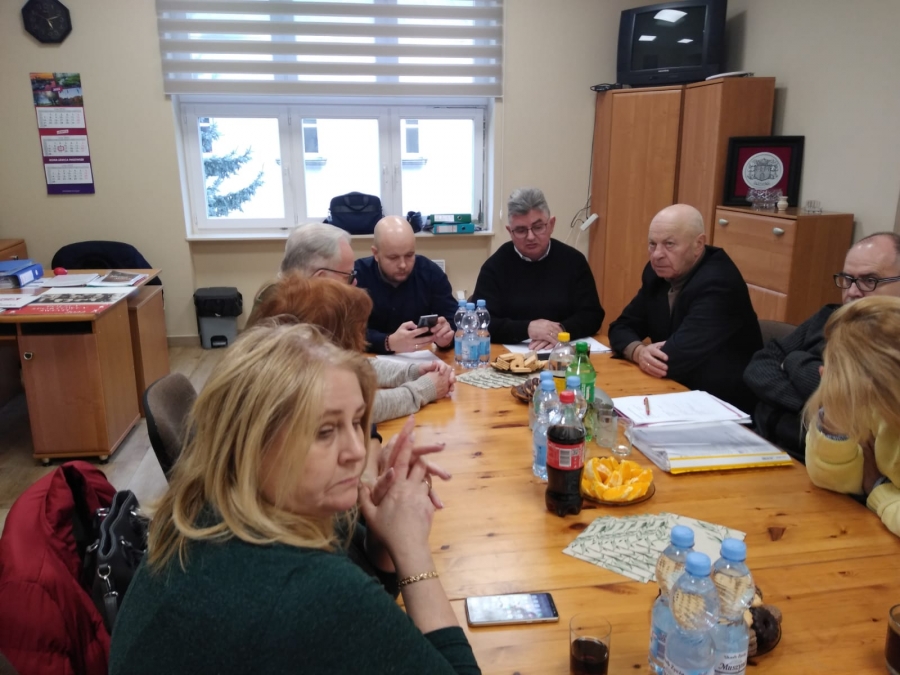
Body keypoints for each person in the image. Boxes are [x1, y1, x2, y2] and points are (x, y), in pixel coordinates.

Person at [109, 321, 481, 674]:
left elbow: (362, 601)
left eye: (356, 422)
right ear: (251, 443)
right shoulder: (303, 591)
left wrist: (383, 542)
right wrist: (413, 550)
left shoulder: (212, 507)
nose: (356, 451)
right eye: (325, 431)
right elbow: (340, 604)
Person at [744, 233, 900, 461]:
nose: (853, 291)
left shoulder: (891, 346)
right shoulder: (829, 315)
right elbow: (758, 366)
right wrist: (817, 409)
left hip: (813, 462)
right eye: (847, 279)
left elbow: (853, 400)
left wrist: (794, 361)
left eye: (869, 280)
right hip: (759, 438)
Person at [607, 204, 761, 413]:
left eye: (669, 244)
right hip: (674, 392)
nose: (657, 255)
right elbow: (620, 327)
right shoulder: (657, 274)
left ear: (699, 245)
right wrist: (638, 351)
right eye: (652, 244)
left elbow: (671, 359)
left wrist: (642, 353)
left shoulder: (719, 284)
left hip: (721, 406)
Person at [249, 273, 455, 424]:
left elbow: (353, 365)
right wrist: (425, 388)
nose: (355, 280)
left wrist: (412, 372)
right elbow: (362, 408)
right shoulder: (288, 384)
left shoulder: (283, 347)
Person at [803, 295, 900, 538]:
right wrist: (835, 416)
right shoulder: (879, 403)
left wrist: (878, 489)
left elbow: (868, 480)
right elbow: (834, 479)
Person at [471, 187, 604, 350]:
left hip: (563, 352)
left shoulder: (574, 261)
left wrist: (559, 331)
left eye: (538, 227)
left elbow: (592, 315)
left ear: (551, 225)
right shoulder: (495, 267)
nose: (530, 237)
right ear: (510, 232)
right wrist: (527, 329)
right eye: (521, 230)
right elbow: (480, 322)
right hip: (510, 357)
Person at [355, 216, 458, 354]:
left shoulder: (430, 273)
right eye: (393, 257)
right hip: (369, 359)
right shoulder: (357, 277)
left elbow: (454, 320)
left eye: (409, 255)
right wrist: (387, 342)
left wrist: (446, 339)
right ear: (376, 254)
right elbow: (347, 331)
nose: (403, 265)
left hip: (422, 358)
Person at [249, 222, 359, 321]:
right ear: (321, 279)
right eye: (348, 276)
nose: (354, 283)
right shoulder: (306, 323)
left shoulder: (276, 297)